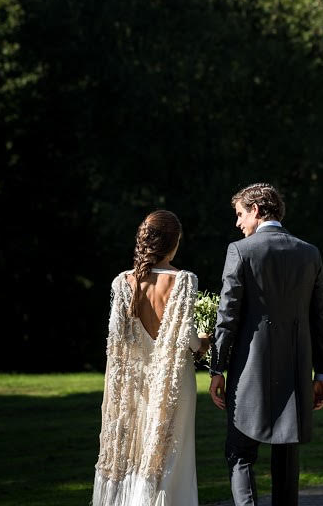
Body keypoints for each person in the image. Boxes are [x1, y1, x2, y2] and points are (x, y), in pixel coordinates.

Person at [210, 182, 323, 506]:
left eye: (240, 215)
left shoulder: (240, 250)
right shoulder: (310, 253)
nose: (239, 224)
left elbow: (227, 316)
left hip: (247, 372)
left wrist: (216, 369)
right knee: (286, 460)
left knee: (240, 454)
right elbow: (321, 318)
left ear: (255, 210)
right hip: (295, 370)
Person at [92, 209, 210, 506]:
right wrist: (207, 340)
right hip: (172, 382)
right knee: (171, 454)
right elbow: (188, 338)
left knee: (132, 450)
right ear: (174, 242)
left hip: (132, 383)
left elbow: (116, 338)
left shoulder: (122, 282)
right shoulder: (183, 280)